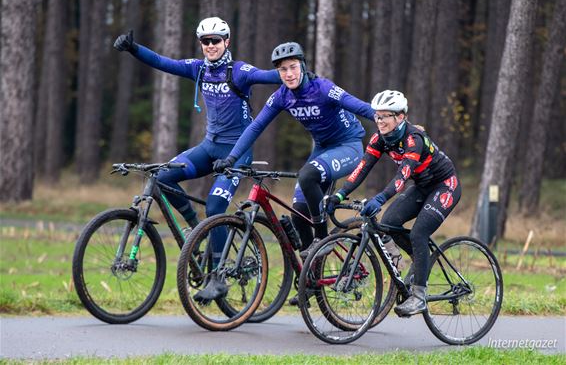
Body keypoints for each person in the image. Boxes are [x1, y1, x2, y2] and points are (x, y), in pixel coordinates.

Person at [113, 17, 281, 302]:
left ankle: (217, 276)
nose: (210, 46)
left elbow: (271, 75)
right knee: (163, 177)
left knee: (215, 205)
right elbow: (163, 62)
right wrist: (134, 48)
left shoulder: (239, 71)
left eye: (216, 40)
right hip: (209, 147)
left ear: (227, 42)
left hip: (236, 153)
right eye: (205, 41)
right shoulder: (198, 68)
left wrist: (297, 73)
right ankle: (196, 230)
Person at [213, 42, 376, 304]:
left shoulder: (321, 87)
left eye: (292, 67)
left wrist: (395, 121)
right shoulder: (281, 96)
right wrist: (231, 157)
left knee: (307, 175)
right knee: (299, 211)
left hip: (348, 145)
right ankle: (311, 283)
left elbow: (358, 106)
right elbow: (255, 128)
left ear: (302, 66)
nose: (288, 74)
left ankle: (323, 239)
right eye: (282, 70)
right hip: (323, 149)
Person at [325, 90, 461, 316]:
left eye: (385, 116)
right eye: (377, 116)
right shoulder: (379, 138)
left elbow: (403, 174)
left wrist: (380, 198)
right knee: (388, 223)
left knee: (418, 233)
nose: (379, 121)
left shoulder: (413, 139)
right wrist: (340, 194)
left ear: (400, 117)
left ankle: (419, 296)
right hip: (421, 186)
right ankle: (420, 262)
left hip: (445, 185)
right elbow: (362, 167)